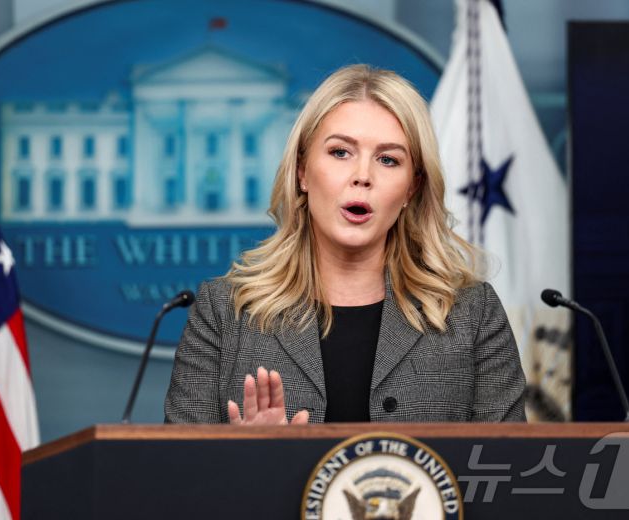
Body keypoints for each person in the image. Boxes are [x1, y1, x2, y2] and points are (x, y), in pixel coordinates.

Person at [164, 64, 526, 425]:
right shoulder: (224, 312)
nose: (363, 176)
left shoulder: (472, 313)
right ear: (302, 172)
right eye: (340, 152)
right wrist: (251, 455)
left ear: (411, 189)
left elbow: (505, 460)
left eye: (388, 160)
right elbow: (178, 461)